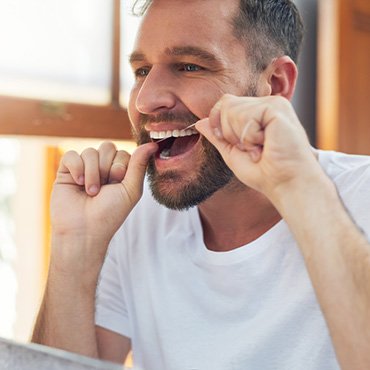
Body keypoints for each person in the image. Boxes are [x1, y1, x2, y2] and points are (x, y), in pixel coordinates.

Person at [32, 0, 370, 369]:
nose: (146, 101)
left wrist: (297, 187)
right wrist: (74, 248)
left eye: (189, 66)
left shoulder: (362, 194)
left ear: (275, 85)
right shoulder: (131, 218)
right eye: (142, 70)